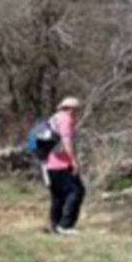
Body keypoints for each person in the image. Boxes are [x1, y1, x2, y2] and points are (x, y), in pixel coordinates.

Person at [46, 97, 85, 235]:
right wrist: (73, 161)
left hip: (48, 164)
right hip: (62, 164)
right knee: (76, 191)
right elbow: (67, 141)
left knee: (57, 195)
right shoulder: (66, 120)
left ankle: (55, 225)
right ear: (71, 109)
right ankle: (66, 225)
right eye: (77, 109)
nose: (77, 112)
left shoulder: (53, 118)